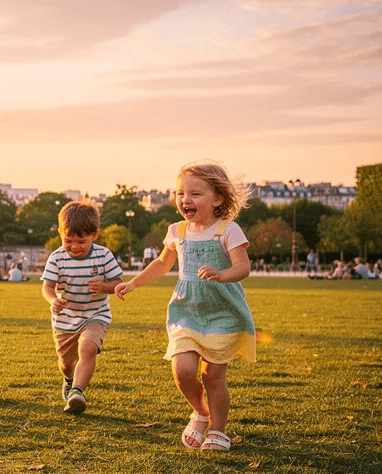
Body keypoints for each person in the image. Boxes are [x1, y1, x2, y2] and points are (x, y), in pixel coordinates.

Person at [115, 162, 255, 453]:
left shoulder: (229, 230)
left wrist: (221, 274)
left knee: (213, 376)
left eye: (195, 193)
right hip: (186, 309)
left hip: (222, 311)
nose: (185, 200)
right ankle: (201, 412)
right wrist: (134, 283)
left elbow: (243, 267)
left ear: (217, 199)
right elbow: (163, 264)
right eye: (180, 193)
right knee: (183, 370)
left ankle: (217, 429)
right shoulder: (177, 230)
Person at [40, 200, 124, 414]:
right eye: (68, 240)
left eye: (81, 241)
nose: (75, 246)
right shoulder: (56, 258)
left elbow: (118, 283)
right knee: (67, 364)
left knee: (87, 349)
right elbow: (47, 287)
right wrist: (53, 300)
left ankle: (77, 392)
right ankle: (69, 379)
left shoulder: (104, 255)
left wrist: (105, 286)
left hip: (96, 314)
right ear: (60, 233)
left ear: (94, 235)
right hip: (65, 319)